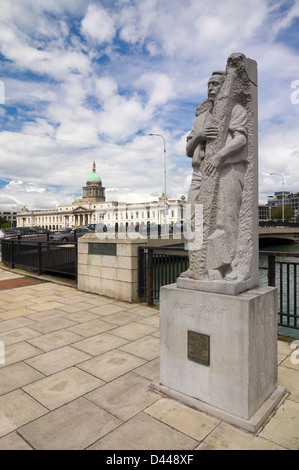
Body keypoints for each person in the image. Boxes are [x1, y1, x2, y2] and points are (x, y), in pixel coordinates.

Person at [181, 70, 248, 281]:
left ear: (225, 87)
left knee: (223, 219)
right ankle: (195, 266)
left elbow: (241, 140)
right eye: (209, 84)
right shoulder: (201, 118)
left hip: (224, 170)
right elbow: (188, 149)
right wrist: (199, 135)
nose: (211, 88)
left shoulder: (235, 110)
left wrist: (219, 156)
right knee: (193, 219)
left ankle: (222, 266)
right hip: (199, 173)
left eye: (216, 84)